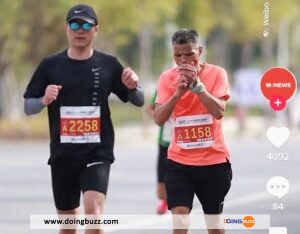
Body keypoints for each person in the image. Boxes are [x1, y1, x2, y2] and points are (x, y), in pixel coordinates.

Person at [23, 4, 144, 234]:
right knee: (68, 227)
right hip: (63, 154)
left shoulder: (108, 64)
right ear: (66, 28)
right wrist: (43, 100)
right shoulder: (50, 65)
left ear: (96, 30)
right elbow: (28, 106)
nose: (80, 30)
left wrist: (134, 85)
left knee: (94, 215)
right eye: (75, 24)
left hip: (97, 152)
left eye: (86, 25)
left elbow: (138, 100)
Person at [153, 29, 232, 234]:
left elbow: (219, 112)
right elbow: (159, 118)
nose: (183, 60)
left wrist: (198, 88)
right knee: (179, 217)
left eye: (189, 54)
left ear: (200, 50)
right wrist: (177, 94)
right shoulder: (167, 78)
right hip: (180, 161)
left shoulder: (217, 73)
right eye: (178, 55)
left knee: (214, 224)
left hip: (213, 161)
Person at [146, 90, 173, 214]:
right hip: (165, 142)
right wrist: (158, 117)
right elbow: (149, 109)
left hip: (183, 144)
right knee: (160, 191)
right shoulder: (164, 83)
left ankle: (178, 201)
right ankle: (165, 200)